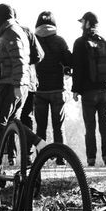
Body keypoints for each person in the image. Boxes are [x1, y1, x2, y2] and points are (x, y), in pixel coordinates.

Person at [0, 3, 41, 159]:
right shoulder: (15, 32)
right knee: (13, 122)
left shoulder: (11, 33)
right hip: (16, 83)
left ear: (0, 17)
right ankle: (40, 144)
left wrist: (17, 85)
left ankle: (1, 160)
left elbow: (19, 60)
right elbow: (14, 57)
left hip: (10, 84)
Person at [71, 12, 106, 168]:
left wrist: (75, 90)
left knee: (90, 127)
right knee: (105, 127)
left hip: (89, 91)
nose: (81, 25)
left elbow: (77, 68)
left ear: (88, 23)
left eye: (82, 22)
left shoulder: (80, 42)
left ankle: (91, 160)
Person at [33, 12, 72, 146]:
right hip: (57, 89)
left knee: (40, 127)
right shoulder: (59, 41)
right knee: (58, 127)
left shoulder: (33, 40)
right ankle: (61, 158)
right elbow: (69, 62)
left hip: (39, 89)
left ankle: (40, 158)